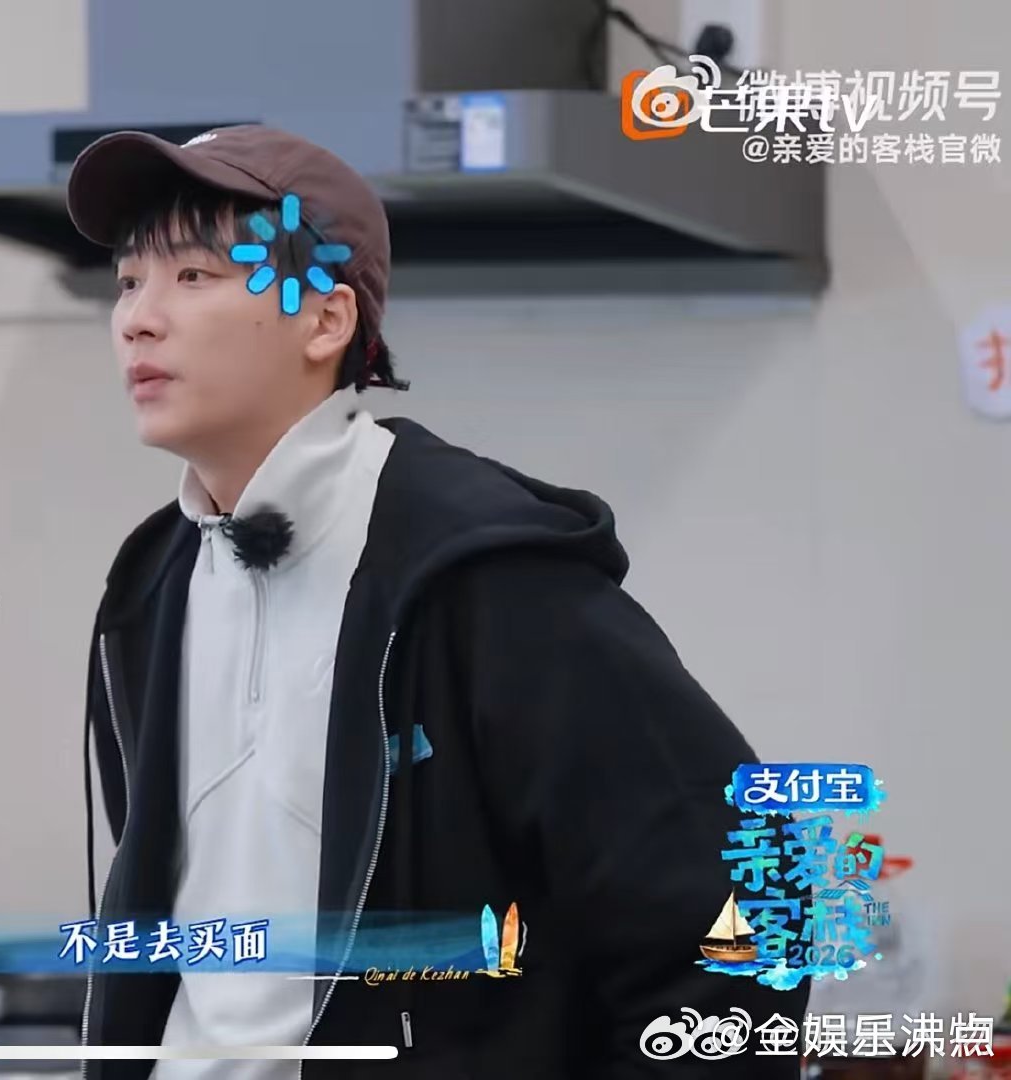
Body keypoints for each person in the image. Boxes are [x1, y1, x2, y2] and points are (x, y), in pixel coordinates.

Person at [64, 124, 809, 1078]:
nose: (137, 318)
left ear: (324, 320)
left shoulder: (484, 573)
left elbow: (748, 900)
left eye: (194, 276)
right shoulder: (153, 584)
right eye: (129, 281)